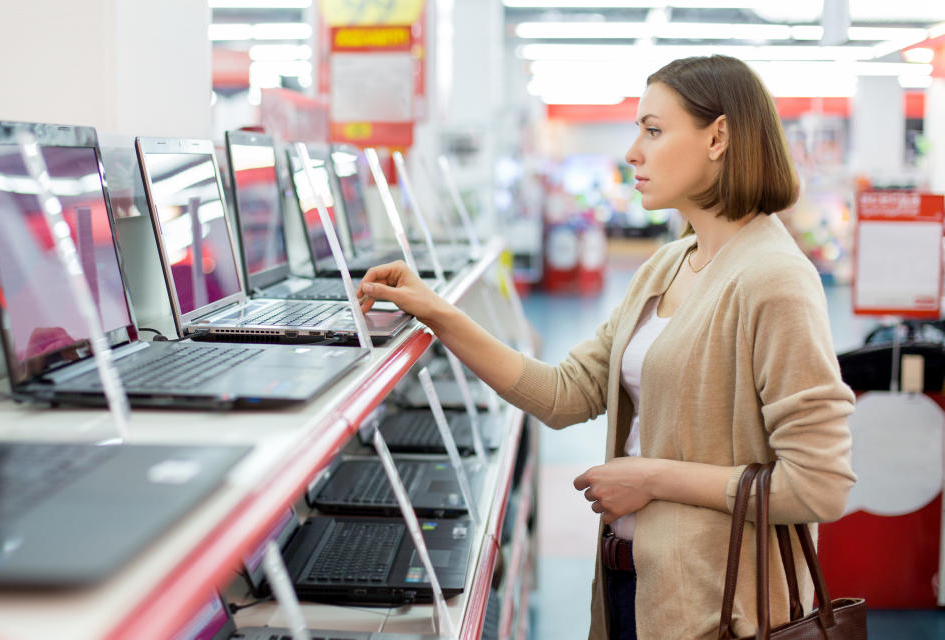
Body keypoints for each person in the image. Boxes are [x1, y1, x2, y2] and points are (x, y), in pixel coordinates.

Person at [357, 55, 855, 640]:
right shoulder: (669, 265)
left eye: (653, 129)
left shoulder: (774, 278)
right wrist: (437, 311)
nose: (632, 153)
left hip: (719, 608)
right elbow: (563, 393)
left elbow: (820, 484)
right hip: (635, 587)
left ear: (718, 136)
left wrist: (652, 479)